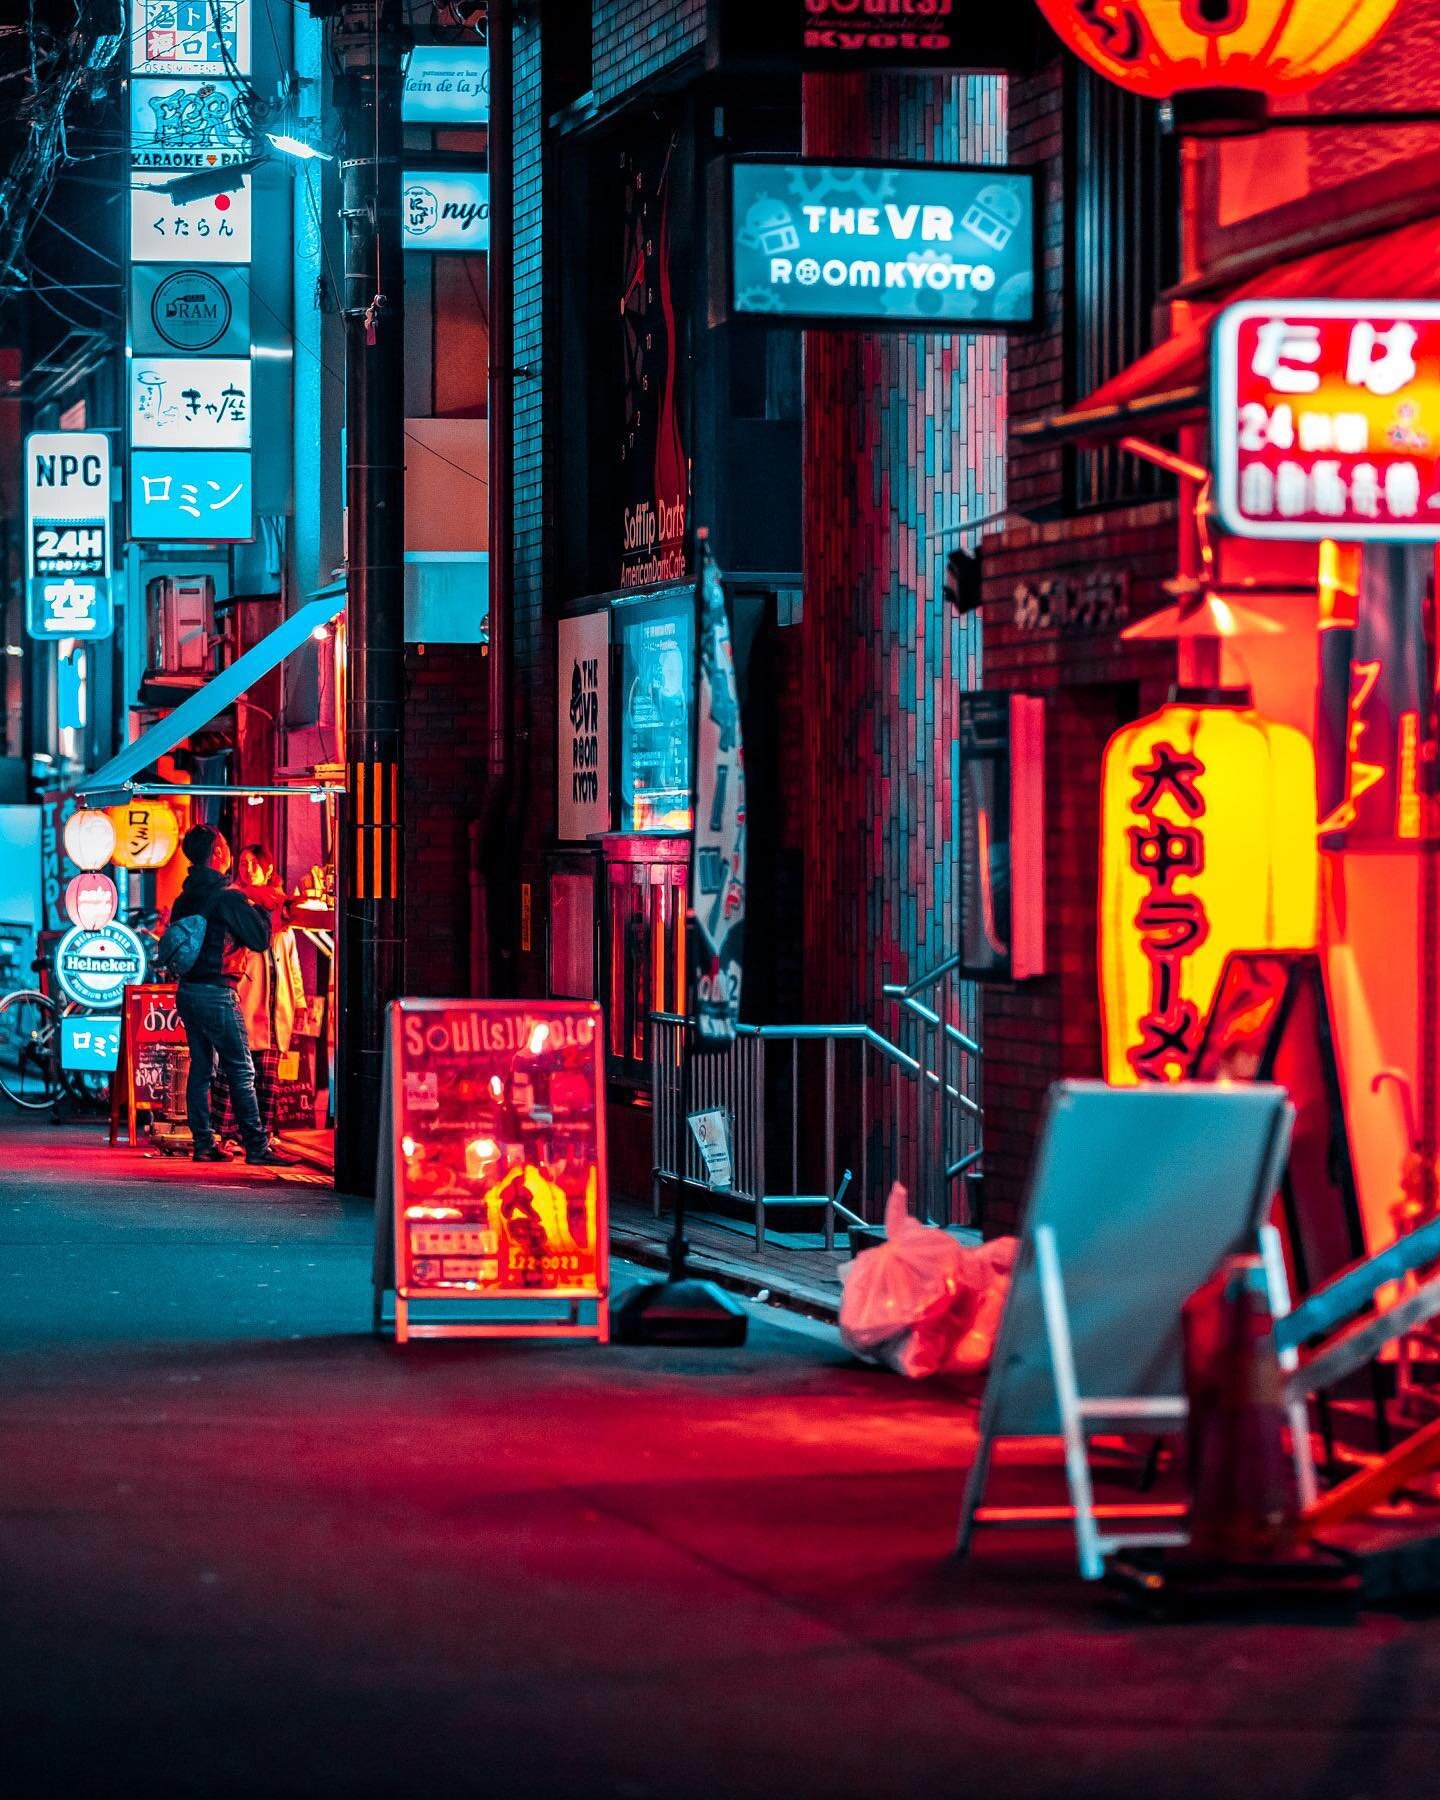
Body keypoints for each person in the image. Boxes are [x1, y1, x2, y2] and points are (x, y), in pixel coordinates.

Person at [170, 823, 296, 1167]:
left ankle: (204, 1144)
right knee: (242, 1070)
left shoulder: (185, 897)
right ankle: (257, 1146)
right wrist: (259, 903)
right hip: (217, 991)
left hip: (188, 991)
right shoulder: (227, 896)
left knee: (201, 1070)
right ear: (219, 853)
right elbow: (259, 939)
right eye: (225, 846)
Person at [211, 844, 307, 1144]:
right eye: (242, 862)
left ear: (267, 868)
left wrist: (300, 1003)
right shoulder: (236, 904)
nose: (247, 867)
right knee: (233, 1073)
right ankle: (225, 1133)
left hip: (275, 1009)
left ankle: (261, 1135)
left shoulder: (281, 916)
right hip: (244, 1003)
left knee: (266, 1078)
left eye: (253, 862)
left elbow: (292, 967)